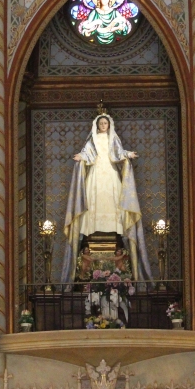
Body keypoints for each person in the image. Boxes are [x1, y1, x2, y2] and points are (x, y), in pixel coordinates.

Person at [61, 113, 152, 283]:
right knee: (94, 201)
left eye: (106, 123)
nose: (103, 125)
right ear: (97, 125)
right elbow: (88, 153)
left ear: (109, 125)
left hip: (110, 173)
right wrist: (82, 157)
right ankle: (95, 230)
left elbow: (118, 153)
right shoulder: (93, 139)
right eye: (101, 123)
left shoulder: (113, 139)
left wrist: (128, 154)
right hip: (96, 174)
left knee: (113, 201)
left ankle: (112, 230)